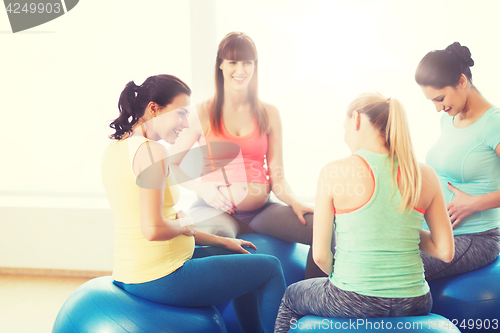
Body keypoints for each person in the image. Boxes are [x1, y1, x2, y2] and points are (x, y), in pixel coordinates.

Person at [101, 74, 286, 333]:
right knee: (270, 268)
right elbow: (153, 229)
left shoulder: (116, 149)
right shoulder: (152, 152)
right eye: (181, 114)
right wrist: (185, 225)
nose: (186, 124)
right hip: (161, 276)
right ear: (154, 109)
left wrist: (224, 241)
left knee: (241, 255)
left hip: (133, 271)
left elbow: (159, 221)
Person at [274, 93, 454, 332]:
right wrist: (397, 228)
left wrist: (345, 279)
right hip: (415, 300)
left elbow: (320, 256)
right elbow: (445, 251)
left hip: (353, 297)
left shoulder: (334, 172)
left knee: (290, 297)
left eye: (345, 126)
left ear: (357, 119)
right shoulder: (425, 174)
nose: (345, 135)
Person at [169, 32, 329, 279]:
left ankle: (307, 299)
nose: (240, 69)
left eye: (247, 62)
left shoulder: (269, 113)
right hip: (215, 209)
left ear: (255, 66)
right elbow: (171, 165)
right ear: (220, 64)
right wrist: (203, 189)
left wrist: (295, 202)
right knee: (207, 245)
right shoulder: (200, 113)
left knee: (323, 228)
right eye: (233, 62)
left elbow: (277, 175)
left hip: (261, 210)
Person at [415, 42, 500, 280]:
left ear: (461, 81)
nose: (437, 108)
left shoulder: (494, 124)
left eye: (439, 98)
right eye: (432, 101)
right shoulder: (449, 119)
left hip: (475, 239)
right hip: (434, 233)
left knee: (393, 266)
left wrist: (475, 203)